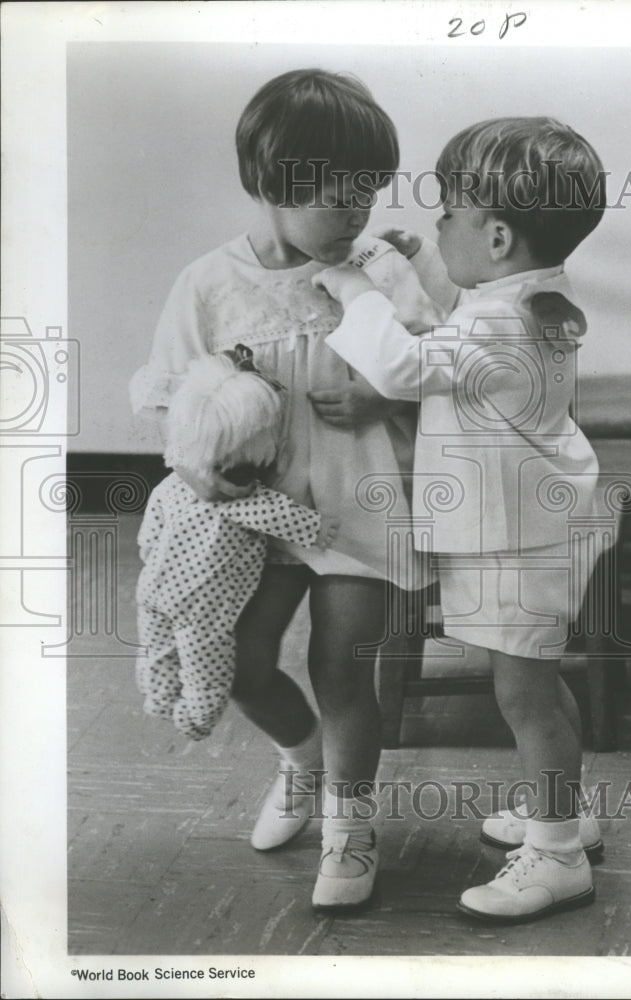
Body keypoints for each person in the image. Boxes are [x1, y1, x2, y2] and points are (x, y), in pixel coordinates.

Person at [130, 69, 435, 910]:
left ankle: (350, 826)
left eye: (368, 198)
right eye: (340, 199)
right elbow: (174, 400)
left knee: (343, 668)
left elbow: (438, 367)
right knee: (241, 662)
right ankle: (300, 764)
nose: (357, 218)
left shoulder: (377, 270)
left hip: (357, 504)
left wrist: (382, 393)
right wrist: (195, 468)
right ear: (273, 184)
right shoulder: (209, 283)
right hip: (253, 522)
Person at [316, 116, 608, 923]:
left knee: (524, 697)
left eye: (449, 212)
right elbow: (454, 328)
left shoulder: (496, 321)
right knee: (538, 685)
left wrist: (352, 286)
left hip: (514, 539)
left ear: (500, 235)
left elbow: (409, 364)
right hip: (534, 526)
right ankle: (566, 812)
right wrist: (408, 272)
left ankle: (555, 856)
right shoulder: (537, 298)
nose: (437, 222)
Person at [135, 347, 339, 742]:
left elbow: (151, 529)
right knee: (200, 660)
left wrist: (149, 551)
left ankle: (170, 702)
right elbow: (284, 515)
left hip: (162, 589)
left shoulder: (178, 487)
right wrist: (318, 528)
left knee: (164, 649)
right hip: (199, 606)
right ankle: (185, 709)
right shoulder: (243, 499)